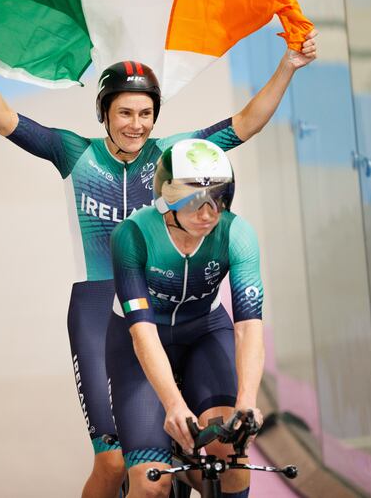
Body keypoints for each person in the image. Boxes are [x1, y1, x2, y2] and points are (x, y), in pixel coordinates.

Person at [0, 22, 316, 498]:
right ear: (104, 113)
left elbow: (246, 123)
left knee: (218, 456)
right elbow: (5, 121)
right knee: (113, 461)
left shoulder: (174, 157)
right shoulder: (75, 153)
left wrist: (288, 65)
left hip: (179, 302)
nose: (136, 124)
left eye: (145, 113)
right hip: (103, 308)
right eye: (124, 113)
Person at [108, 139, 263, 498]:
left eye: (218, 198)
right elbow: (143, 333)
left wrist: (247, 401)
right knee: (152, 484)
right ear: (166, 199)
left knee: (232, 461)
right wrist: (174, 404)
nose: (209, 212)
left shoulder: (238, 234)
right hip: (140, 344)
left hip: (204, 334)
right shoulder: (132, 236)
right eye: (194, 199)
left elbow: (248, 328)